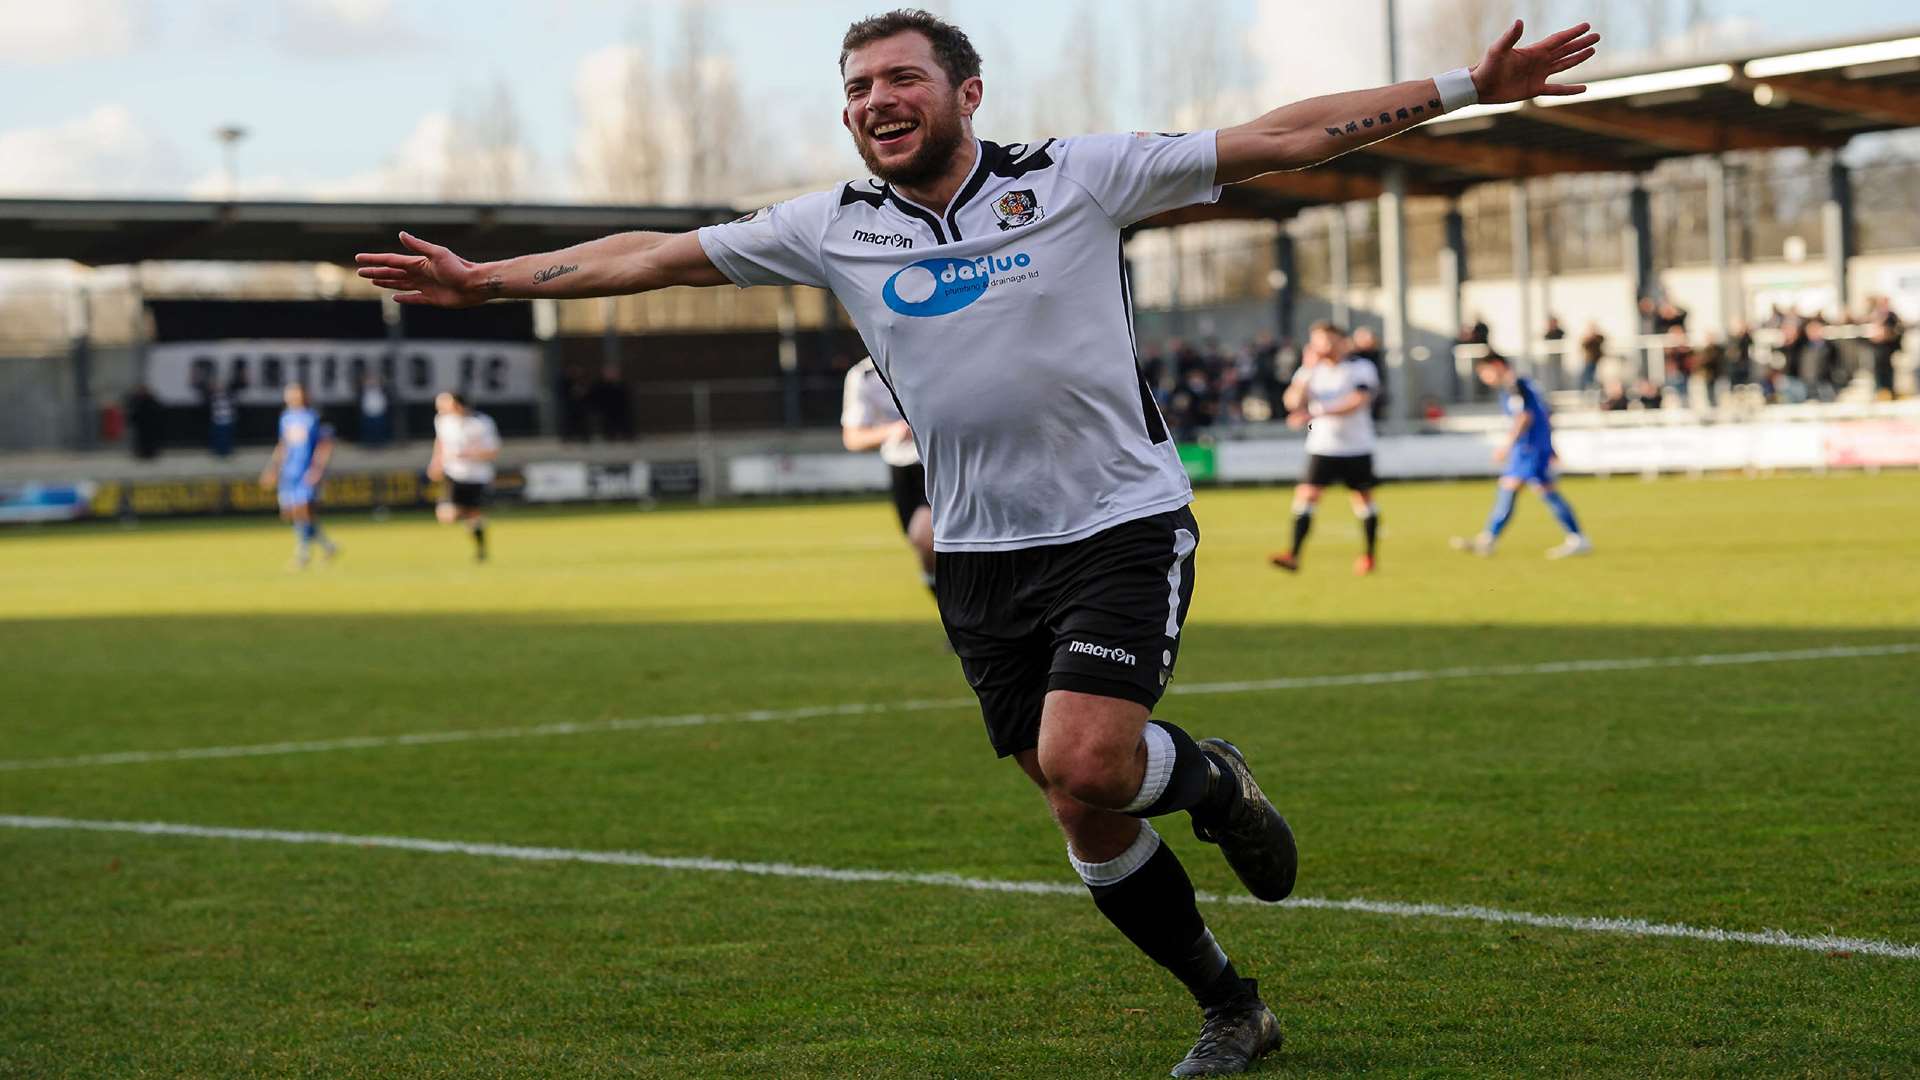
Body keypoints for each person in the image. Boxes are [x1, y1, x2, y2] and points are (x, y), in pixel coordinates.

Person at [356, 11, 1599, 1072]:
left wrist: (1462, 91)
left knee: (1091, 758)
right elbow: (651, 256)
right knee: (1079, 806)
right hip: (979, 555)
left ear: (966, 92)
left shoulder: (1078, 175)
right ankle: (1234, 1006)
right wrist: (493, 283)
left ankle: (1211, 782)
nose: (875, 102)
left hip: (1118, 521)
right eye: (855, 88)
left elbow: (1276, 136)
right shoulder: (828, 223)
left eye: (900, 79)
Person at [1453, 353, 1592, 560]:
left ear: (1497, 365)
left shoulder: (1514, 386)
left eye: (1485, 372)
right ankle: (1489, 538)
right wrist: (1550, 446)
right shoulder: (1525, 384)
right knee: (1512, 488)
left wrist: (1506, 446)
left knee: (1541, 491)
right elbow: (1544, 415)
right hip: (1532, 449)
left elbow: (1525, 416)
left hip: (1529, 450)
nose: (1484, 378)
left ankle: (1577, 538)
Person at [1270, 322, 1383, 576]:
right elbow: (1291, 402)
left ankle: (1369, 556)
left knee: (1363, 499)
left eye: (1328, 340)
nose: (1323, 346)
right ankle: (1294, 555)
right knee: (1306, 496)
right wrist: (1306, 371)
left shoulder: (1360, 367)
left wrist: (1314, 412)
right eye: (1318, 341)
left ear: (1342, 342)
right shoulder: (1311, 370)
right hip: (1322, 446)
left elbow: (1358, 401)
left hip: (1356, 446)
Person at [842, 355, 935, 590]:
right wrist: (891, 431)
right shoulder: (862, 376)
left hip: (936, 462)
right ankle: (937, 589)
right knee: (922, 543)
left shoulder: (932, 360)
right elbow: (853, 438)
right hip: (901, 470)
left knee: (924, 535)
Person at [259, 383, 339, 568]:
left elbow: (325, 444)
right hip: (289, 472)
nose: (292, 397)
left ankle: (303, 553)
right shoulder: (286, 418)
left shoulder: (314, 416)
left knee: (302, 510)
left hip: (305, 471)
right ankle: (327, 546)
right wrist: (272, 469)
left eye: (296, 393)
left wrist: (317, 469)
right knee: (291, 513)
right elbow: (283, 446)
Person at [427, 390, 501, 562]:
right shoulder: (442, 421)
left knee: (473, 515)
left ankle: (481, 551)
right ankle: (470, 515)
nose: (440, 408)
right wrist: (435, 462)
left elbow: (492, 451)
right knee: (447, 516)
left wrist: (469, 455)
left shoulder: (481, 423)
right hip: (454, 473)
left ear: (457, 404)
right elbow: (441, 442)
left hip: (477, 476)